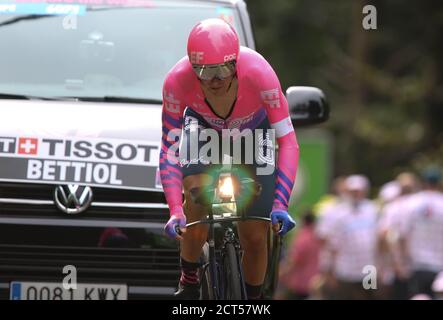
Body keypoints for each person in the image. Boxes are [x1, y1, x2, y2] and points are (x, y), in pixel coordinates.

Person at [159, 19, 298, 299]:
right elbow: (169, 150)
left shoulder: (260, 73)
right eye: (204, 71)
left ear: (236, 62)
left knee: (256, 235)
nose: (215, 80)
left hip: (253, 129)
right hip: (203, 125)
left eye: (223, 69)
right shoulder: (176, 81)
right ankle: (189, 278)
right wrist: (176, 209)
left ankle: (252, 299)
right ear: (192, 67)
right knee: (195, 211)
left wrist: (280, 204)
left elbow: (288, 142)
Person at [400, 166, 443, 299]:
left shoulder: (411, 202)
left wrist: (402, 261)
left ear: (423, 182)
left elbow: (403, 235)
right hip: (439, 264)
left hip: (416, 262)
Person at [279, 210, 320, 299]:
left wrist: (281, 273)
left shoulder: (302, 238)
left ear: (303, 221)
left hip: (300, 283)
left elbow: (294, 260)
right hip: (314, 281)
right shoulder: (317, 236)